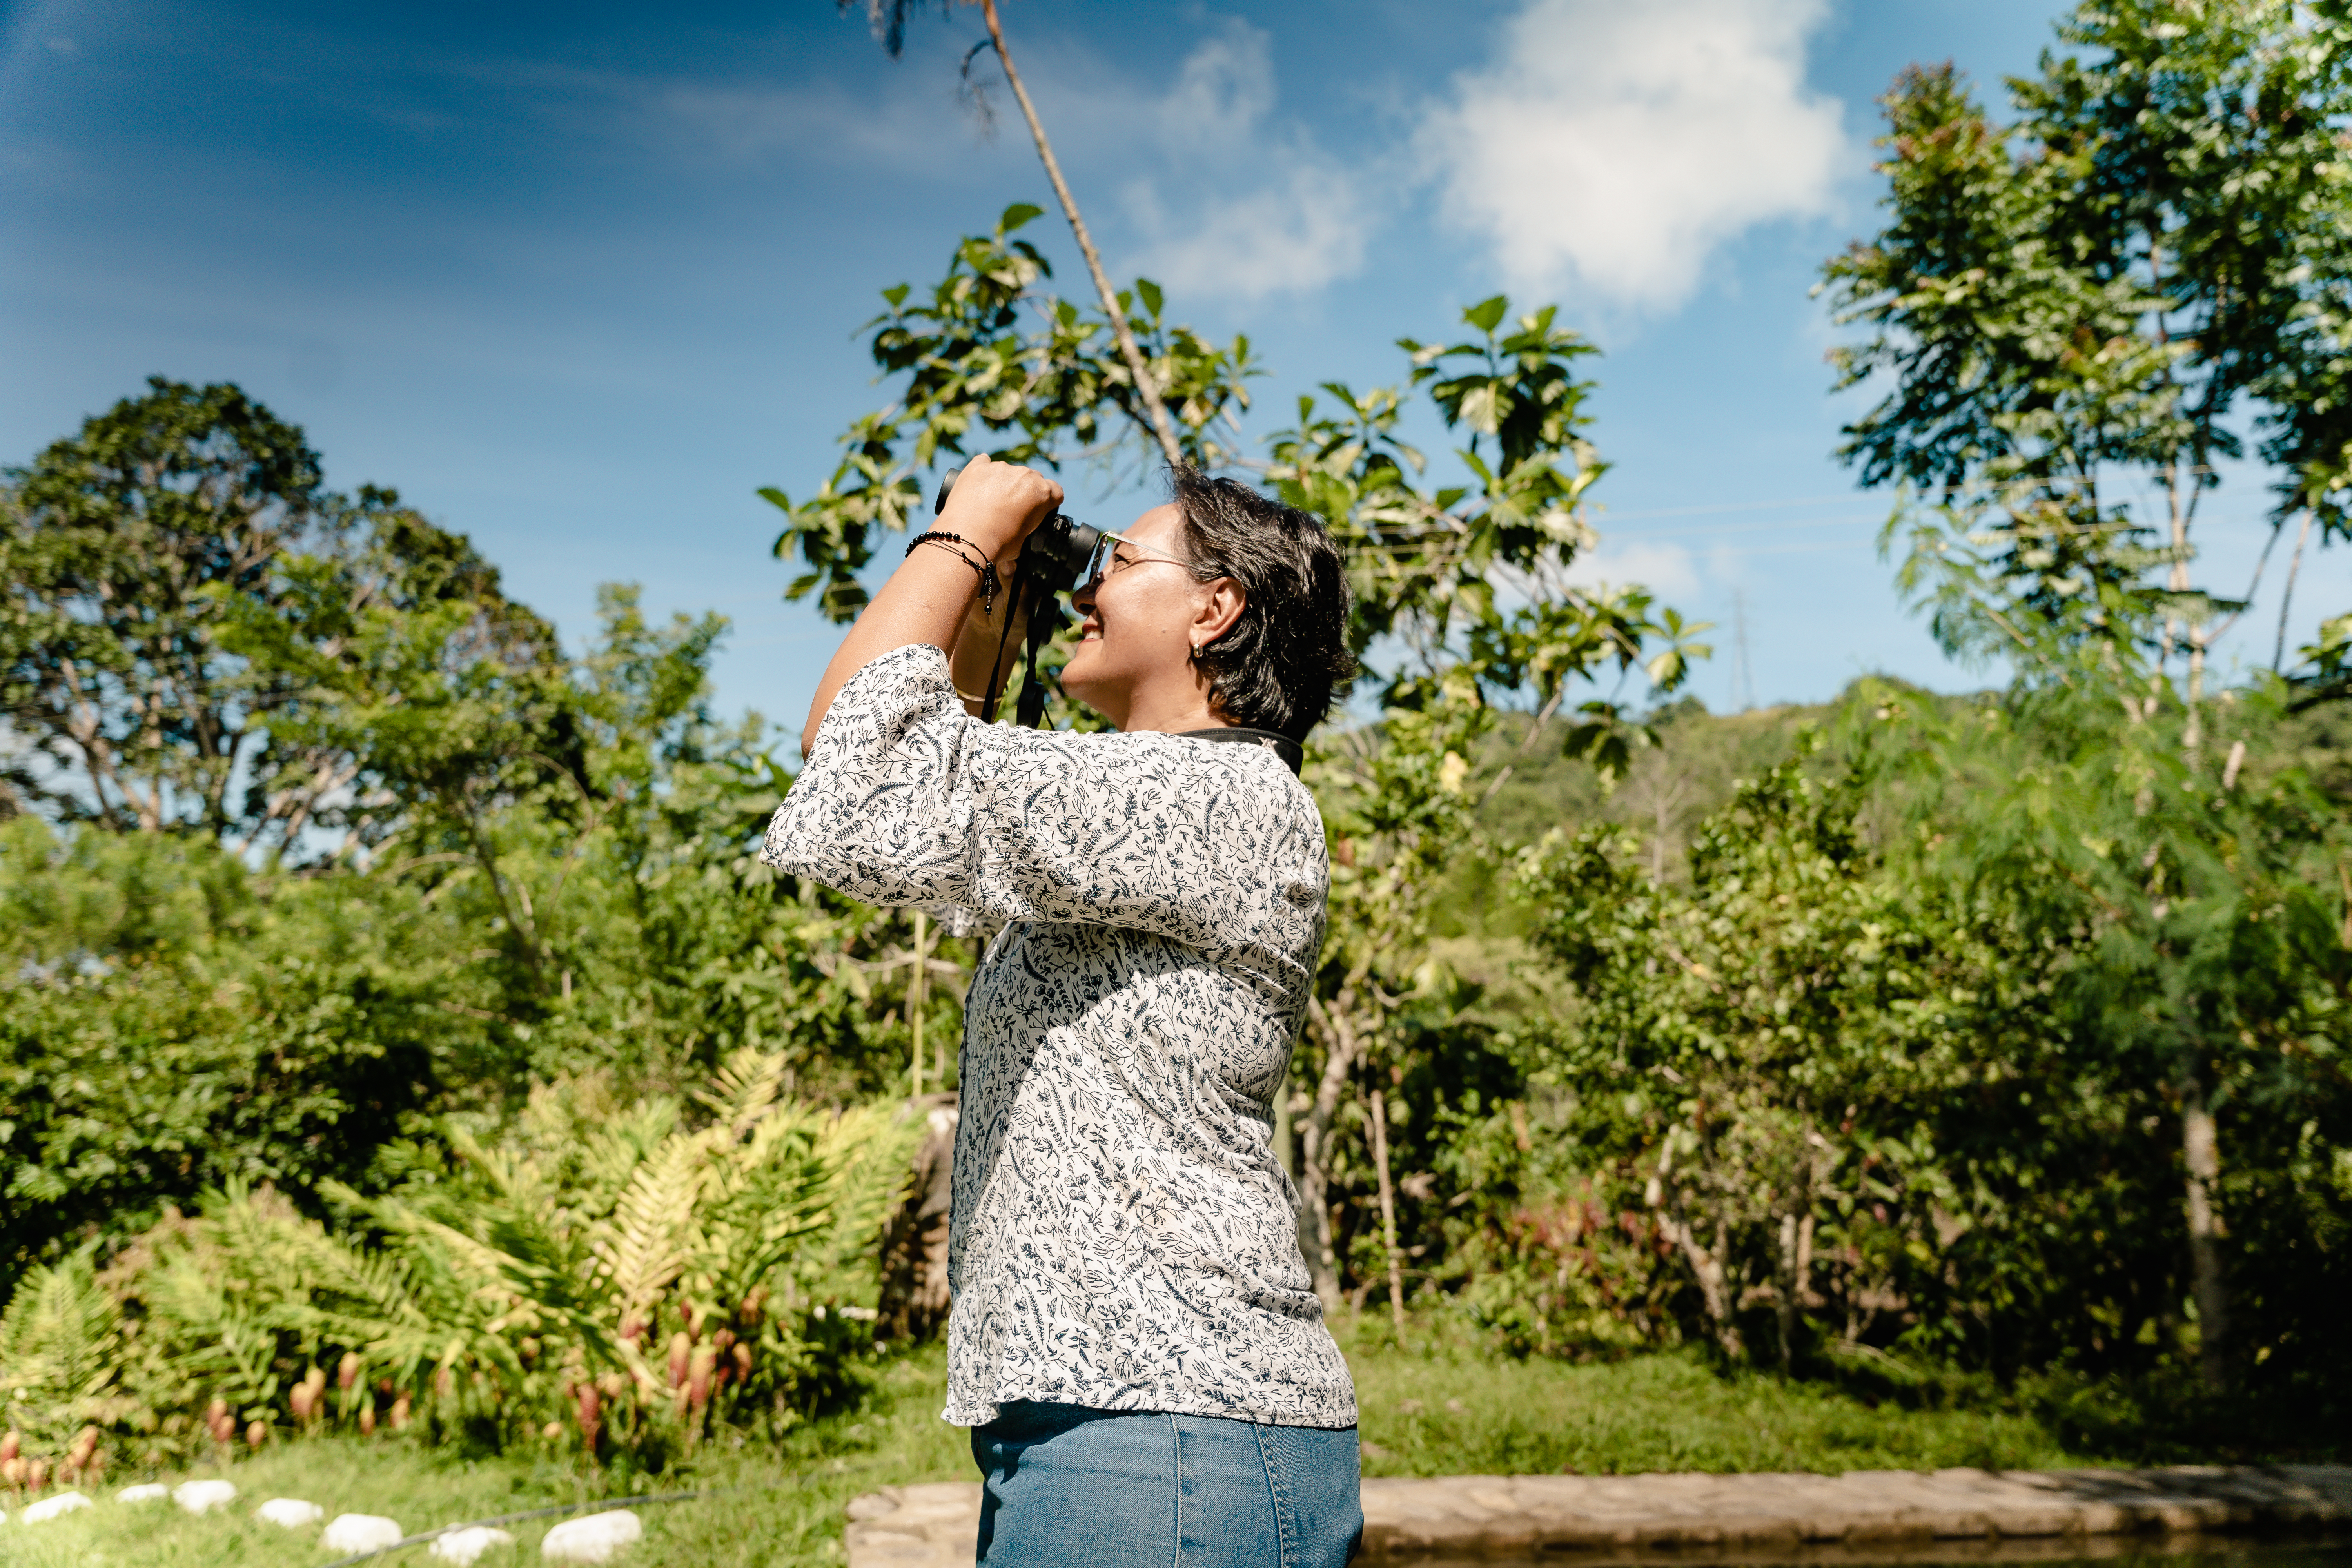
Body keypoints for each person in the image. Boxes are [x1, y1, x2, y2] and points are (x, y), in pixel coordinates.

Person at [762, 453, 1363, 1567]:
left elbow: (852, 754)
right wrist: (1002, 596)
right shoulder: (1137, 809)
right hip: (1122, 1422)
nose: (1090, 590)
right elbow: (921, 799)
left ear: (1216, 609)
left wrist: (964, 536)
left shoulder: (1207, 797)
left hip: (1167, 1427)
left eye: (1119, 564)